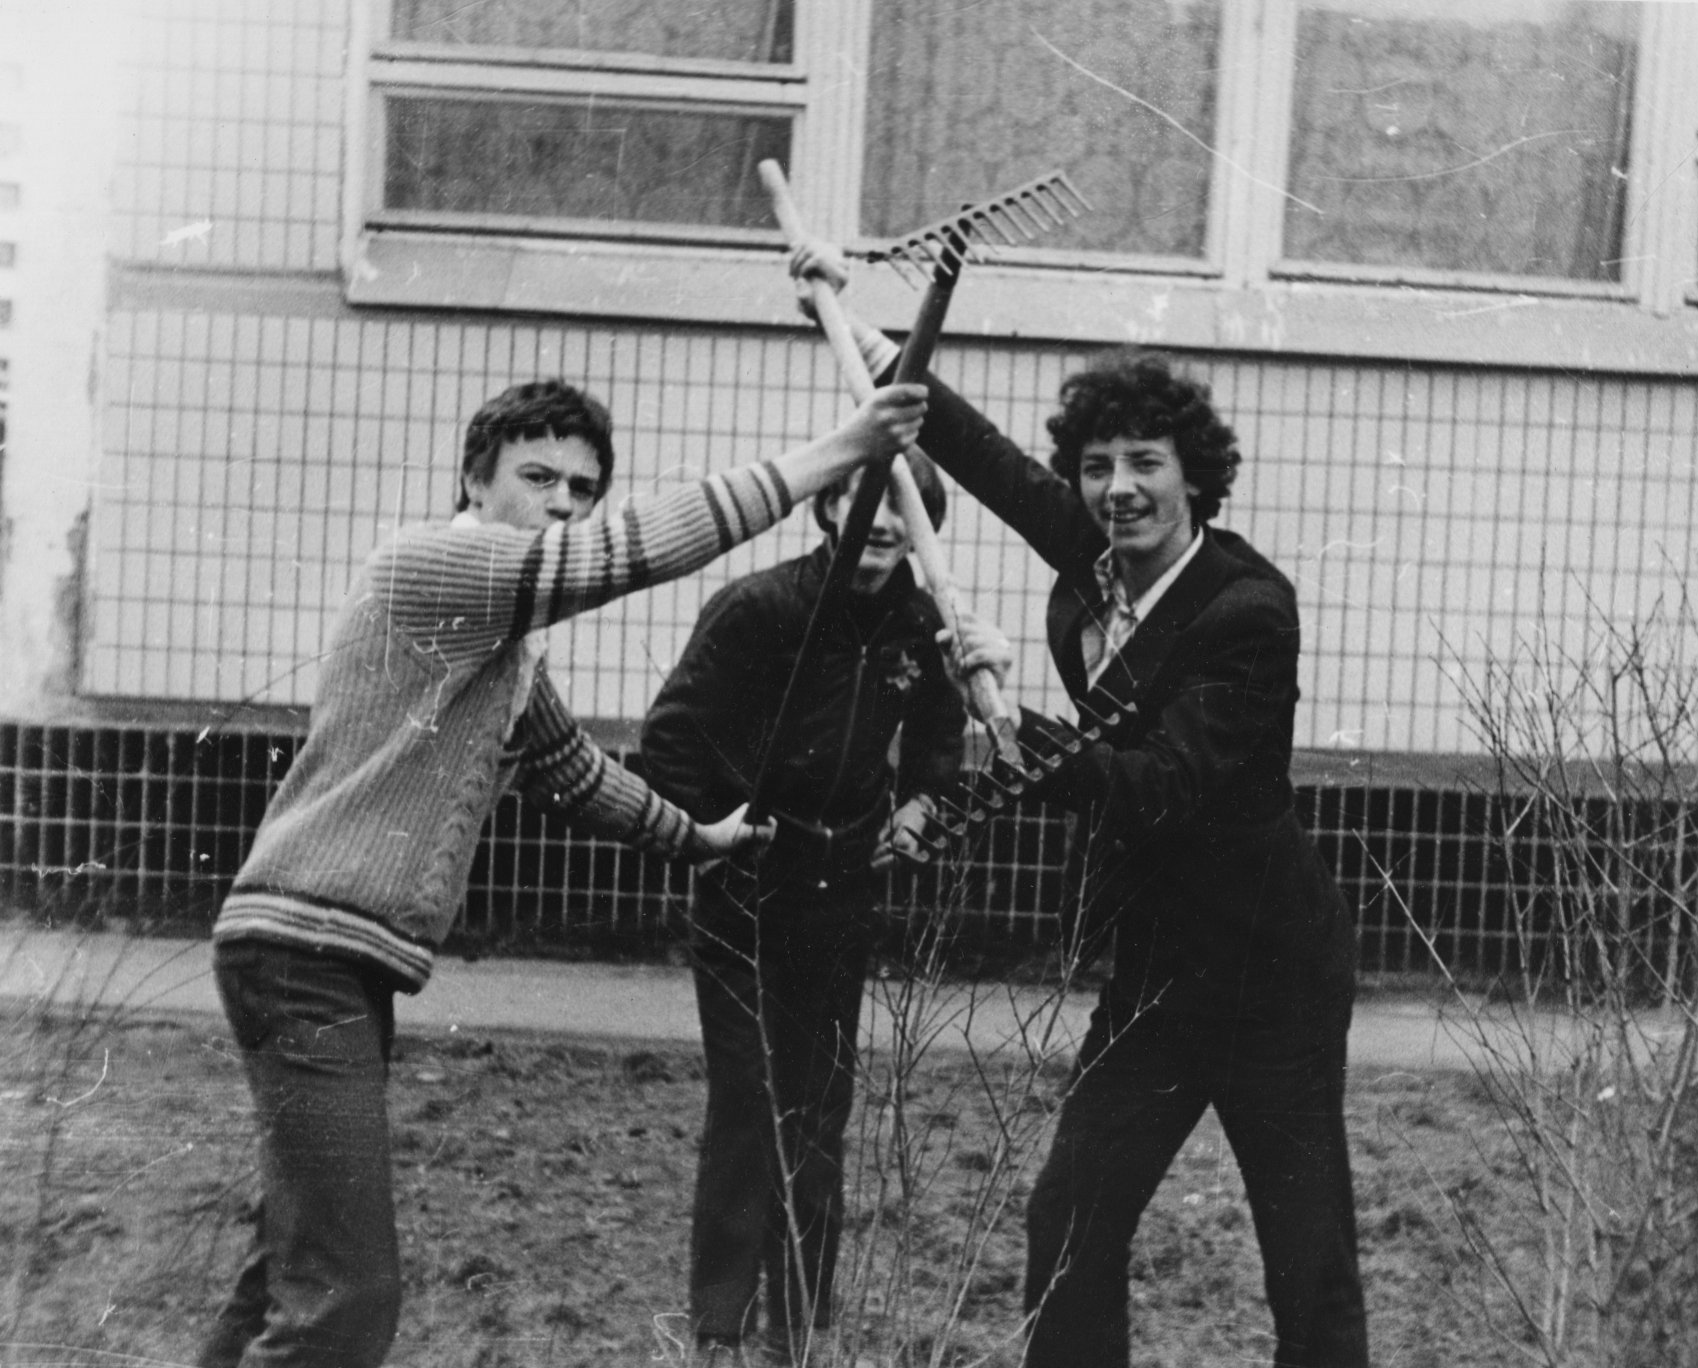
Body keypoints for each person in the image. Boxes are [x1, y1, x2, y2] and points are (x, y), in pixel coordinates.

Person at [199, 375, 927, 1368]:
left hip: (328, 958)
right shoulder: (432, 564)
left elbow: (573, 772)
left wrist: (699, 837)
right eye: (537, 478)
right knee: (346, 1298)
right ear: (474, 480)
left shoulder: (504, 645)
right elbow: (629, 552)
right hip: (300, 954)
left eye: (582, 489)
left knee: (286, 1269)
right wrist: (840, 451)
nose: (563, 504)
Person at [791, 248, 1368, 1367]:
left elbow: (1160, 786)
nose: (1118, 489)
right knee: (1069, 1221)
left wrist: (1011, 728)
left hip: (1272, 978)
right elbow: (989, 461)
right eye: (1098, 467)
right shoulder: (1100, 563)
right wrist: (859, 328)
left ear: (1195, 477)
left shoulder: (1247, 611)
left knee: (1306, 1255)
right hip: (1157, 970)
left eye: (1145, 463)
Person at [639, 449, 970, 1366]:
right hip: (749, 893)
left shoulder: (920, 625)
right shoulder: (761, 609)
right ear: (827, 507)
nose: (885, 524)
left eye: (907, 507)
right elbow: (671, 737)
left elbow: (940, 738)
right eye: (867, 500)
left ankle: (799, 1326)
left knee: (820, 1108)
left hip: (842, 894)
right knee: (749, 1100)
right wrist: (723, 828)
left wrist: (921, 805)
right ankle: (719, 1325)